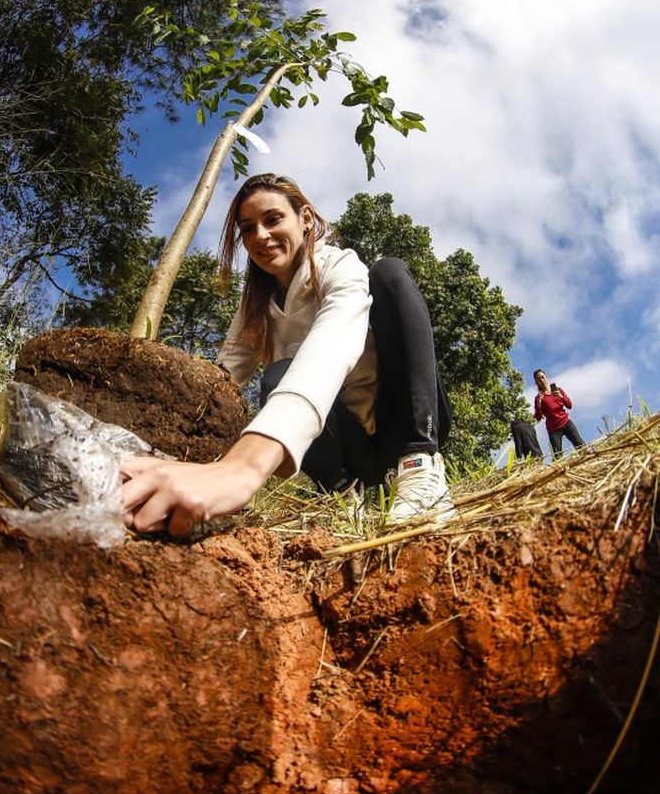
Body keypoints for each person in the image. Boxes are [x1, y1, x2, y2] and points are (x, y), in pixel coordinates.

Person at [120, 173, 453, 536]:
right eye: (248, 229)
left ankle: (419, 466)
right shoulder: (254, 311)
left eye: (273, 219)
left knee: (389, 273)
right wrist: (155, 447)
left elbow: (334, 340)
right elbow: (219, 381)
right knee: (277, 375)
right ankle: (343, 497)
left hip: (400, 425)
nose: (260, 236)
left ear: (306, 219)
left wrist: (246, 465)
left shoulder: (340, 267)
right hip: (350, 449)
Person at [532, 368, 585, 458]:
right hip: (553, 429)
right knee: (558, 457)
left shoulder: (558, 390)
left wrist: (561, 397)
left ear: (546, 377)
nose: (542, 380)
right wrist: (539, 405)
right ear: (537, 383)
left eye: (543, 377)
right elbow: (538, 417)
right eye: (539, 379)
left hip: (566, 423)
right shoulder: (538, 398)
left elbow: (569, 406)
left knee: (581, 446)